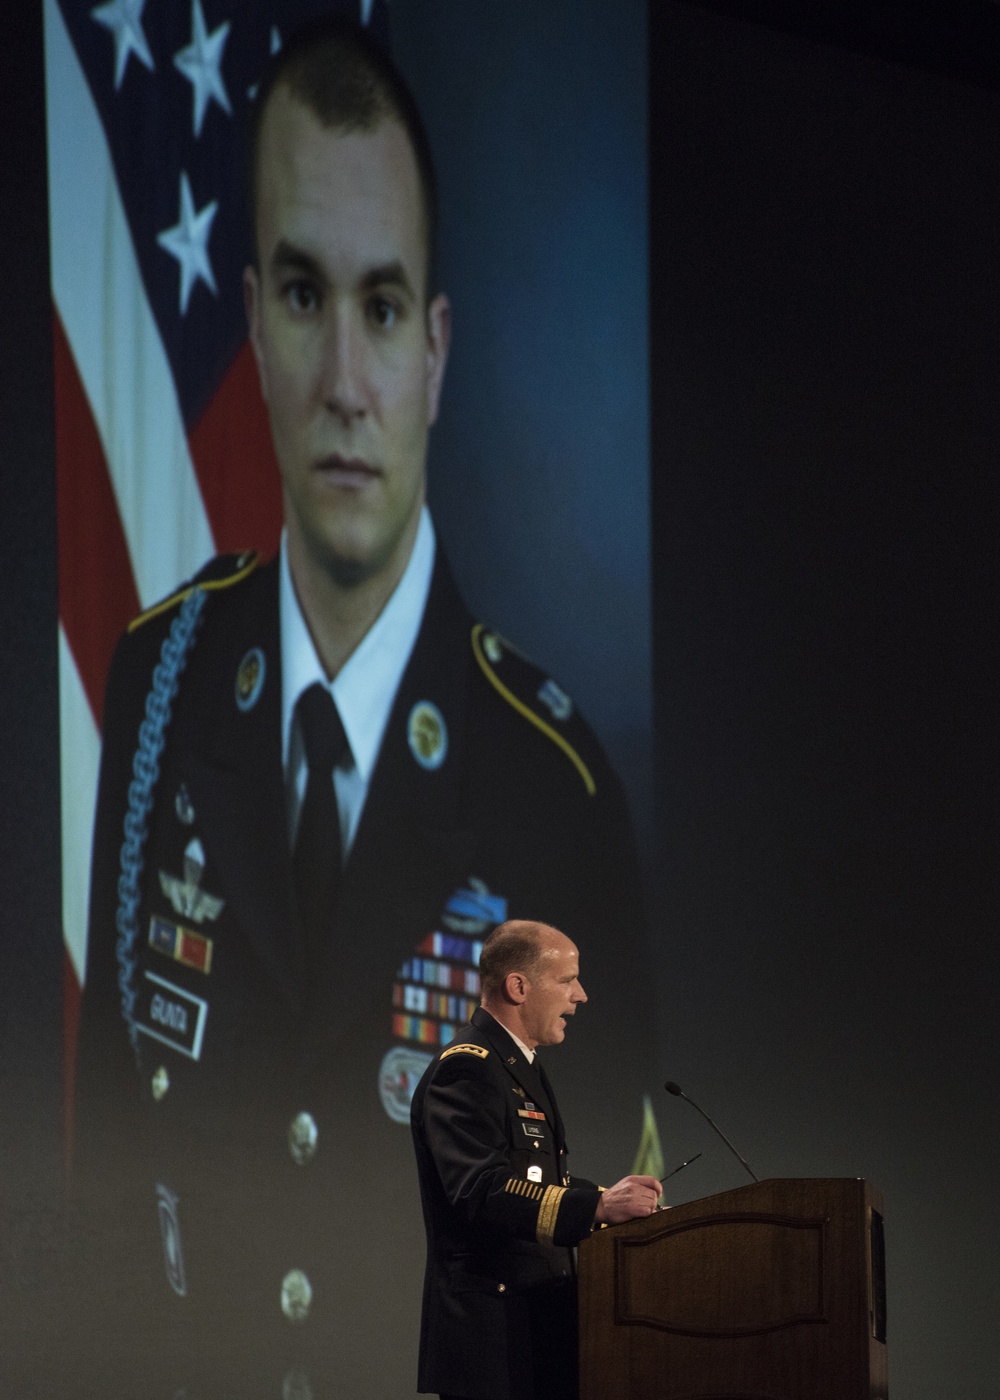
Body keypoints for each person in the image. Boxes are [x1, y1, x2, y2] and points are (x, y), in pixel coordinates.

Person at [71, 14, 651, 1400]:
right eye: (303, 294)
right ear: (256, 330)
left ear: (437, 352)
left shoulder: (552, 784)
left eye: (383, 308)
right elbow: (106, 1171)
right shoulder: (159, 688)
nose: (344, 381)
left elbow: (603, 1251)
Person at [411, 920, 661, 1400]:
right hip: (492, 1339)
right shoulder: (468, 1067)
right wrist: (595, 1207)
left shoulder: (517, 1065)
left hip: (535, 1327)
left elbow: (542, 1179)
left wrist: (613, 1199)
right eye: (568, 980)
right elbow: (483, 1191)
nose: (581, 995)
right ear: (518, 986)